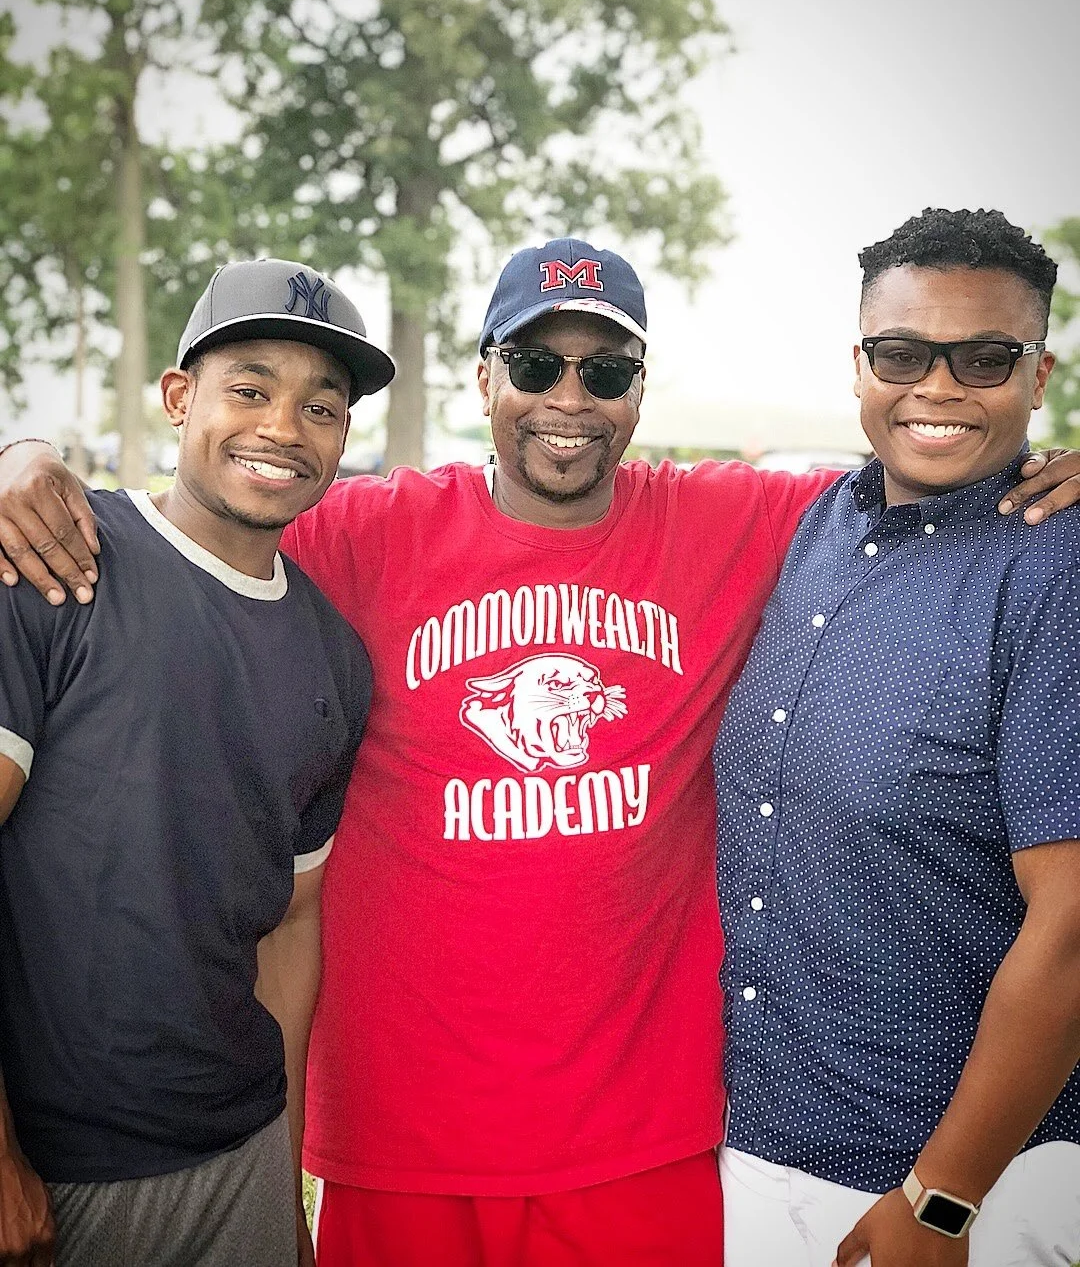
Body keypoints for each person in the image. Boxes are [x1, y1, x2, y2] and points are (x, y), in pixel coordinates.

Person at [0, 239, 1077, 1267]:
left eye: (605, 369)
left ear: (639, 393)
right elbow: (182, 521)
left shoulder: (742, 519)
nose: (569, 396)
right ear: (485, 381)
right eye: (534, 362)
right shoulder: (358, 530)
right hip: (399, 1141)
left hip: (642, 1140)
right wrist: (23, 456)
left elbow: (927, 459)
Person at [0, 258, 390, 1267]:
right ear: (181, 399)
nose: (281, 428)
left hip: (244, 1149)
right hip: (61, 1162)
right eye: (250, 389)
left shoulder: (335, 657)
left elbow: (291, 922)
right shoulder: (58, 561)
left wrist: (290, 1172)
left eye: (321, 407)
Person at [714, 208, 1080, 1267]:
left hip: (962, 1185)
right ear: (861, 363)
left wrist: (944, 1195)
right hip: (764, 1145)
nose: (939, 386)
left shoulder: (1053, 569)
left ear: (1038, 373)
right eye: (904, 352)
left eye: (984, 358)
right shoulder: (814, 523)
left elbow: (1071, 926)